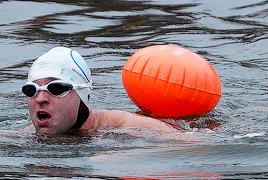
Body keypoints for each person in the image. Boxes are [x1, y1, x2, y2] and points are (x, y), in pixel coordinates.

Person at [22, 47, 177, 135]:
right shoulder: (23, 136)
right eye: (31, 89)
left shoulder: (130, 128)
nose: (40, 99)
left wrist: (121, 156)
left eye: (56, 88)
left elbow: (188, 143)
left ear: (82, 94)